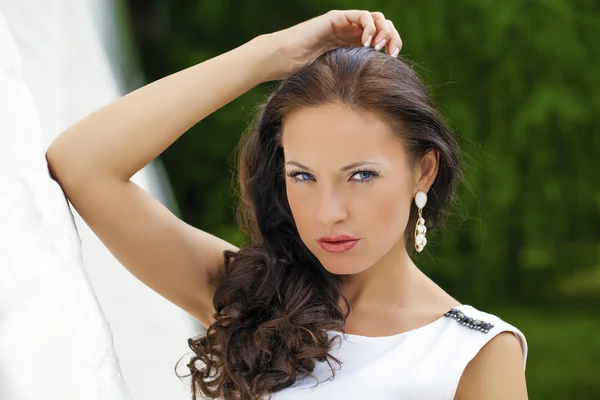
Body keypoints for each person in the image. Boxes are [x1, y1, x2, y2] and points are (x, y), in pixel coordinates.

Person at [46, 9, 528, 400]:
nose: (328, 212)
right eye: (303, 176)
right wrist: (267, 54)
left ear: (423, 170)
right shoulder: (252, 298)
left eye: (361, 175)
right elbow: (81, 163)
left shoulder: (474, 352)